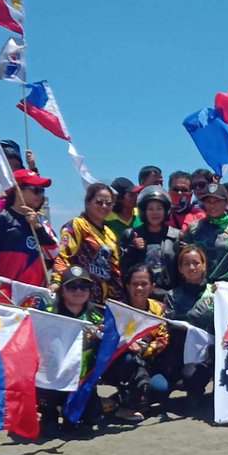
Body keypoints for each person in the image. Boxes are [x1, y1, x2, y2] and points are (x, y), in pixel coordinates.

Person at [39, 266, 104, 431]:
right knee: (49, 430)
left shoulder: (96, 317)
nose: (79, 291)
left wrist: (103, 335)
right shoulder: (48, 313)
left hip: (81, 377)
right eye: (72, 287)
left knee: (89, 422)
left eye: (84, 286)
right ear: (63, 290)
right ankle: (48, 414)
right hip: (52, 377)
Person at [107, 264, 172, 422]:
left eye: (144, 284)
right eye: (135, 284)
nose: (139, 288)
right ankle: (126, 405)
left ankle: (118, 400)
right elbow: (110, 335)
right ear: (127, 286)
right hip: (121, 362)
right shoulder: (117, 309)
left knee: (161, 389)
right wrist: (127, 344)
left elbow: (164, 338)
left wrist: (144, 351)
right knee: (129, 361)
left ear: (152, 286)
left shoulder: (159, 309)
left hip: (149, 361)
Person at [0, 169, 58, 290]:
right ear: (18, 189)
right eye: (36, 190)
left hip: (33, 297)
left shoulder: (41, 222)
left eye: (42, 191)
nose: (41, 196)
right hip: (4, 296)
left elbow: (55, 255)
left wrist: (38, 228)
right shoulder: (1, 219)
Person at [52, 183, 122, 310]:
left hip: (101, 303)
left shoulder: (111, 235)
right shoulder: (77, 225)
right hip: (77, 298)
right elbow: (64, 256)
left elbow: (114, 271)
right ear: (88, 203)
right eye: (99, 202)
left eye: (108, 203)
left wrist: (118, 300)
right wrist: (56, 281)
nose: (104, 206)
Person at [163, 245, 217, 400]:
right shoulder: (173, 295)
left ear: (204, 265)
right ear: (180, 269)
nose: (192, 267)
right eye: (186, 264)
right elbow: (171, 326)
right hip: (184, 351)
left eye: (196, 263)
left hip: (213, 351)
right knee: (188, 377)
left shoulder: (215, 291)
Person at [120, 185, 182, 299]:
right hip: (138, 296)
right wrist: (131, 249)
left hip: (169, 297)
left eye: (159, 208)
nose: (155, 213)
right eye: (150, 209)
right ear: (144, 211)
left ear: (166, 211)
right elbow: (121, 268)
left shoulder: (177, 236)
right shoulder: (130, 235)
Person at [183, 183, 228, 282]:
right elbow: (186, 260)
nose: (212, 205)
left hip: (227, 288)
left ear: (226, 202)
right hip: (199, 289)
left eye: (217, 201)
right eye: (208, 201)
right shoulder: (193, 228)